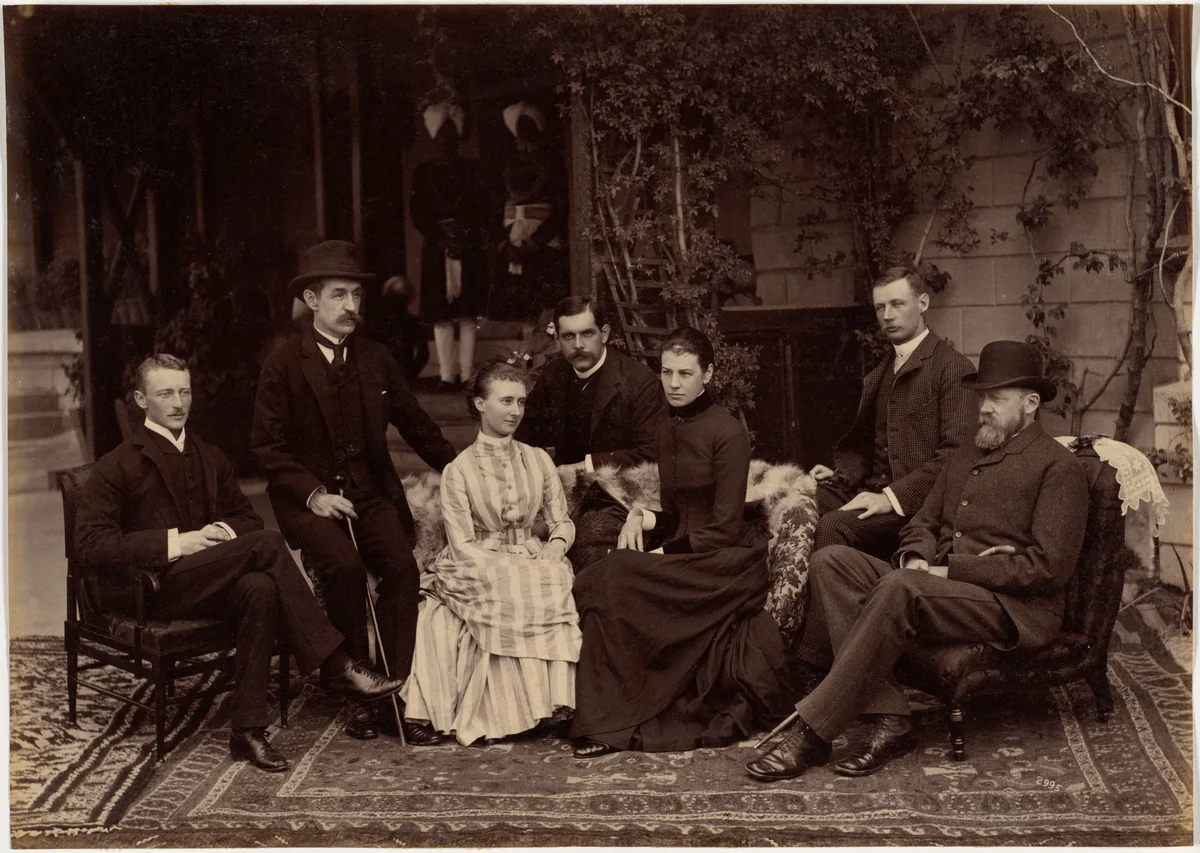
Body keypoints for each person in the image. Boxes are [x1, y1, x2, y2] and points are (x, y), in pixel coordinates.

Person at [745, 340, 1089, 782]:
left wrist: (949, 570)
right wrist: (916, 556)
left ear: (1031, 403)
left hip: (1013, 608)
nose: (983, 408)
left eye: (997, 399)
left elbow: (1047, 568)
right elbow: (921, 523)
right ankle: (891, 718)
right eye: (981, 396)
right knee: (831, 561)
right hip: (943, 588)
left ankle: (813, 732)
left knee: (900, 586)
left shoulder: (1057, 468)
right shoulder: (967, 453)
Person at [75, 355, 408, 773]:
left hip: (206, 582)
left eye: (185, 391)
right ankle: (341, 663)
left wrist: (220, 533)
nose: (179, 403)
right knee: (266, 544)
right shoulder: (116, 464)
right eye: (165, 394)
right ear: (141, 399)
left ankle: (247, 732)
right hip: (151, 591)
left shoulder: (210, 456)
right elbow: (91, 544)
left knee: (260, 588)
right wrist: (181, 541)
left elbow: (246, 520)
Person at [252, 240, 458, 745]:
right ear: (312, 301)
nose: (351, 306)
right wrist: (315, 494)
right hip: (310, 501)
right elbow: (267, 448)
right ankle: (353, 690)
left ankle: (394, 694)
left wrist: (462, 466)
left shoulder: (376, 359)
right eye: (338, 295)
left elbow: (415, 423)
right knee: (342, 567)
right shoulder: (283, 364)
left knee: (403, 570)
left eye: (356, 296)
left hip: (370, 495)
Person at [569, 327, 796, 758]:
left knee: (615, 573)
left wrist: (660, 553)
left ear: (707, 374)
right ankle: (608, 716)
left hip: (728, 561)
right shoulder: (665, 429)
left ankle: (613, 723)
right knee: (600, 579)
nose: (673, 384)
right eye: (667, 372)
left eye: (685, 373)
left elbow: (725, 526)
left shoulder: (727, 432)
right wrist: (644, 515)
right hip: (688, 549)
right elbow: (677, 513)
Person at [790, 266, 977, 668]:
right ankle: (780, 631)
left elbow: (955, 457)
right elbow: (863, 446)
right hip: (873, 490)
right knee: (794, 504)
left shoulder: (952, 368)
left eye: (897, 304)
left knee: (832, 526)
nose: (888, 315)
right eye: (880, 308)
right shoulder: (882, 370)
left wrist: (890, 497)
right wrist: (838, 476)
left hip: (918, 510)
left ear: (922, 303)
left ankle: (817, 660)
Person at [402, 359, 582, 745]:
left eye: (520, 402)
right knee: (512, 583)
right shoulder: (459, 470)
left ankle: (553, 705)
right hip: (475, 560)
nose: (515, 411)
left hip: (531, 554)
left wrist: (555, 547)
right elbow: (462, 542)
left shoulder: (538, 459)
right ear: (480, 405)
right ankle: (503, 712)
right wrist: (507, 564)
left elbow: (561, 521)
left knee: (551, 576)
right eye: (505, 401)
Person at [517, 296, 666, 473]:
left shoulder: (639, 380)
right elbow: (525, 429)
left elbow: (650, 452)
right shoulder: (554, 373)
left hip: (620, 490)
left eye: (587, 333)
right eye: (568, 336)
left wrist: (583, 467)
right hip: (561, 487)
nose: (578, 345)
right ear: (557, 339)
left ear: (604, 334)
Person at [411, 102, 490, 391]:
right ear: (435, 140)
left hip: (468, 245)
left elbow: (484, 208)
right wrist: (440, 235)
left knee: (467, 314)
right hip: (436, 245)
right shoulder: (424, 172)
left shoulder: (473, 169)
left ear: (458, 138)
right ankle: (446, 375)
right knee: (441, 316)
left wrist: (464, 233)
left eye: (451, 136)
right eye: (442, 138)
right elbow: (417, 211)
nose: (447, 142)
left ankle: (468, 374)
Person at [488, 101, 569, 333]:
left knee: (545, 306)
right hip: (512, 244)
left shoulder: (552, 166)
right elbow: (495, 210)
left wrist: (536, 241)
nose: (525, 141)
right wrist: (503, 244)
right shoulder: (507, 168)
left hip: (542, 245)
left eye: (530, 134)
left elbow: (561, 209)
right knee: (521, 309)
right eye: (521, 135)